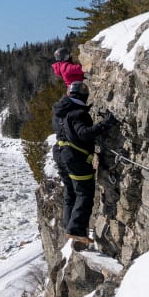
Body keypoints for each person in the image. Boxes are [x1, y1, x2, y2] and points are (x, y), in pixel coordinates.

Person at [51, 81, 114, 246]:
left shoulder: (60, 112)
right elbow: (84, 134)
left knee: (70, 192)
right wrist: (106, 124)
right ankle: (76, 229)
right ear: (84, 96)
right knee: (84, 192)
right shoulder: (78, 113)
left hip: (60, 154)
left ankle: (69, 226)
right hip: (75, 157)